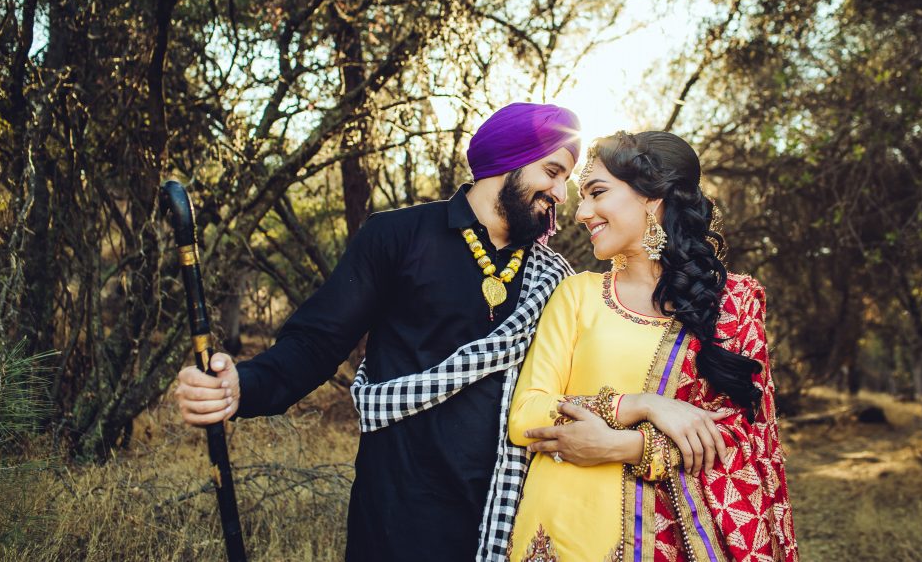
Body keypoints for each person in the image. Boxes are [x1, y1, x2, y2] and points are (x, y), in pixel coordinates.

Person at [173, 102, 581, 561]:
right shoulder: (398, 235)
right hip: (399, 510)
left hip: (507, 511)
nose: (561, 193)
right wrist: (241, 385)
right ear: (509, 158)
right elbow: (316, 342)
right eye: (553, 171)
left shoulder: (555, 277)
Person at [505, 131, 798, 562]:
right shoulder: (576, 294)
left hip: (674, 542)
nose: (582, 212)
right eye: (580, 196)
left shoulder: (730, 301)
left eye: (597, 192)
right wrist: (643, 405)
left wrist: (624, 447)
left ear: (651, 199)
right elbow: (527, 415)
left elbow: (747, 439)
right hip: (563, 531)